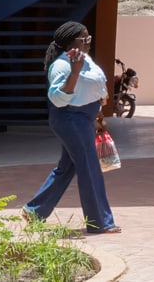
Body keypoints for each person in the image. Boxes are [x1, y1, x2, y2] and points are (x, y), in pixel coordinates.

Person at [24, 21, 119, 235]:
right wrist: (74, 73)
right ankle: (99, 222)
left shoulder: (84, 59)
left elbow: (95, 88)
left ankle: (34, 211)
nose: (88, 42)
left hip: (84, 118)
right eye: (83, 39)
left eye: (89, 38)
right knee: (89, 168)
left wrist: (99, 116)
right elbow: (57, 99)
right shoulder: (62, 65)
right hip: (70, 119)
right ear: (70, 43)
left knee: (67, 168)